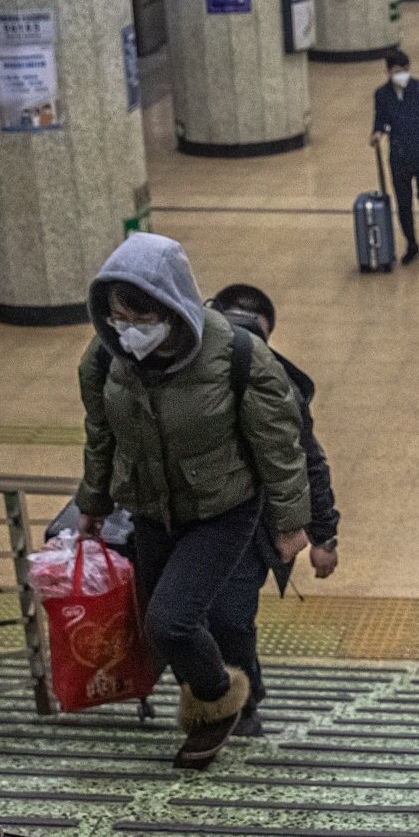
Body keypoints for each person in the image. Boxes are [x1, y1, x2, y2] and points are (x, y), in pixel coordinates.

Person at [75, 233, 314, 768]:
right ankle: (209, 715)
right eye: (118, 316)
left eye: (140, 317)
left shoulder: (236, 354)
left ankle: (224, 700)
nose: (128, 330)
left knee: (173, 620)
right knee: (161, 627)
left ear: (173, 307)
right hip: (151, 509)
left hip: (223, 510)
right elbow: (101, 432)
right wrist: (92, 502)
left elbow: (281, 446)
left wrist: (293, 522)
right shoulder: (106, 355)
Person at [205, 283, 342, 736]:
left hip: (249, 523)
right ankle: (216, 694)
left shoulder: (273, 381)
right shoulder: (182, 369)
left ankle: (242, 702)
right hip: (181, 516)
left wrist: (323, 536)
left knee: (229, 616)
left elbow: (308, 460)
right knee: (183, 618)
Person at [372, 51, 419, 264]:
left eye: (405, 70)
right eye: (397, 72)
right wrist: (378, 133)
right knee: (403, 202)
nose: (402, 75)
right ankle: (411, 242)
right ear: (388, 72)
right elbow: (380, 121)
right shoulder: (382, 95)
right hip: (399, 155)